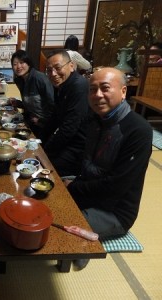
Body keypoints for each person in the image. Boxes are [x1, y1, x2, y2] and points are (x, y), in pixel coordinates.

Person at [64, 67, 152, 269]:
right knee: (49, 198)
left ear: (123, 91)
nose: (97, 95)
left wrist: (73, 189)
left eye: (105, 88)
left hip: (115, 210)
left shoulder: (139, 130)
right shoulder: (96, 120)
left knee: (62, 224)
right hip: (90, 191)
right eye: (92, 90)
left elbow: (116, 186)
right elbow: (85, 162)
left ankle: (88, 243)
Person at [42, 50, 90, 177]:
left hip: (79, 146)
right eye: (49, 70)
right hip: (68, 140)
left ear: (72, 66)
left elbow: (69, 127)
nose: (53, 74)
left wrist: (46, 150)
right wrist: (40, 141)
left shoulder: (79, 86)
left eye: (58, 68)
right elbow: (55, 117)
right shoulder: (63, 85)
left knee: (46, 167)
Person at [11, 50, 54, 139]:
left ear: (29, 64)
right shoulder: (20, 80)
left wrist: (41, 120)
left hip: (45, 126)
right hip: (31, 121)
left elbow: (53, 104)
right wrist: (18, 103)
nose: (18, 67)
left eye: (22, 63)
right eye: (15, 64)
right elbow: (31, 104)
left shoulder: (39, 78)